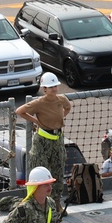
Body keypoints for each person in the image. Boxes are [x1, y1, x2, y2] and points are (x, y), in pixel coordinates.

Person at [16, 72, 71, 210]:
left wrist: (60, 119)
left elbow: (68, 107)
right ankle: (36, 204)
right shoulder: (39, 103)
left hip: (57, 139)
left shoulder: (61, 99)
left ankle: (56, 203)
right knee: (39, 172)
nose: (53, 89)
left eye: (55, 86)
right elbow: (20, 111)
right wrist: (36, 121)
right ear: (44, 89)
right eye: (50, 86)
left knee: (58, 171)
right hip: (42, 140)